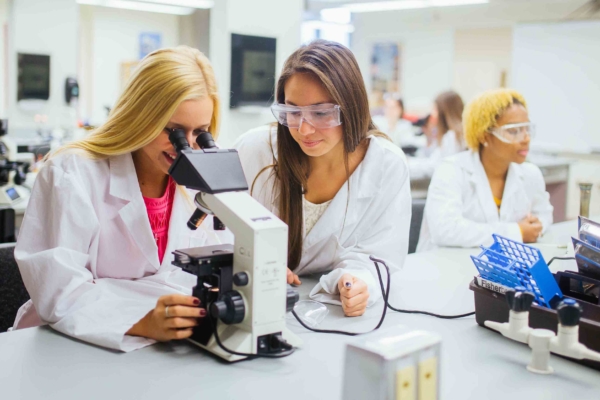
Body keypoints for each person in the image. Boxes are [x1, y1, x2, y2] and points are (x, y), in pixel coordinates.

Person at [13, 46, 231, 351]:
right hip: (68, 346)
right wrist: (141, 319)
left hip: (160, 348)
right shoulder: (72, 172)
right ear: (141, 114)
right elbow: (60, 292)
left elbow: (205, 270)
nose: (187, 147)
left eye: (200, 132)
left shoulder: (198, 182)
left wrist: (250, 269)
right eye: (174, 131)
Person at [234, 40, 411, 317]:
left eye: (320, 113)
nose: (304, 129)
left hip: (325, 313)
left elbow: (379, 255)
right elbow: (219, 231)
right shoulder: (255, 149)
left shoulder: (386, 164)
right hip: (253, 301)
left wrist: (357, 281)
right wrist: (254, 261)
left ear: (351, 106)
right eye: (292, 111)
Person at [417, 88, 553, 251]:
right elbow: (446, 230)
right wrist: (516, 232)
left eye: (527, 128)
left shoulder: (530, 174)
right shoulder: (451, 170)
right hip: (443, 268)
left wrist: (537, 226)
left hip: (499, 269)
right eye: (513, 130)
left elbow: (544, 214)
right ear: (484, 136)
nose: (526, 138)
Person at [408, 90, 465, 180]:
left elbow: (432, 167)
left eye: (435, 110)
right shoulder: (457, 135)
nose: (434, 114)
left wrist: (405, 163)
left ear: (445, 112)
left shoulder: (452, 137)